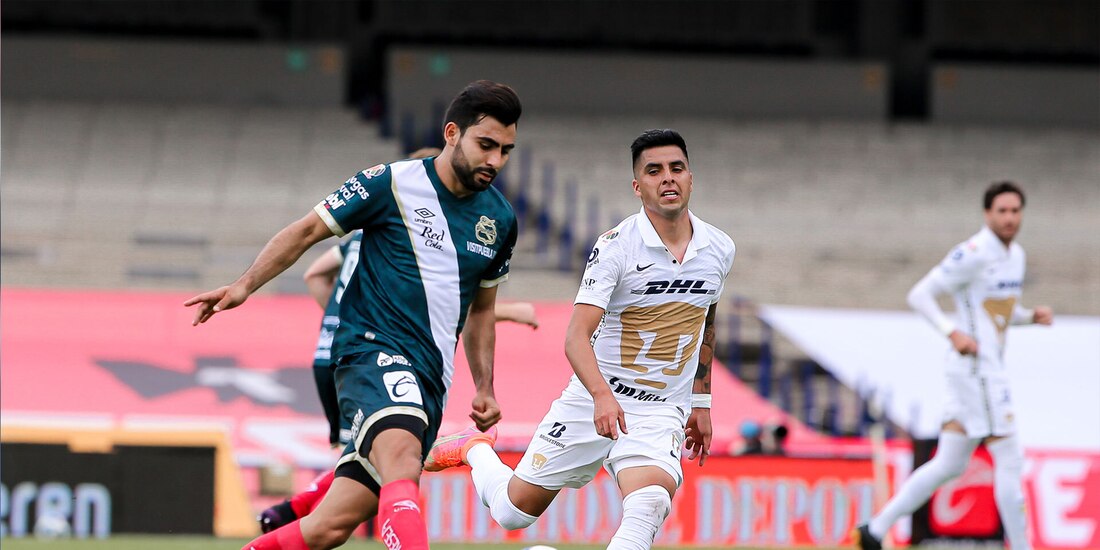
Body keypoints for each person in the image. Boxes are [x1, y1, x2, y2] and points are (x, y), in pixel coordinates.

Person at [185, 79, 522, 550]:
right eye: (485, 145)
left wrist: (484, 387)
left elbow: (482, 310)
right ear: (452, 133)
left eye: (505, 150)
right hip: (371, 352)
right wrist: (244, 285)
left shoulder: (501, 219)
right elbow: (306, 231)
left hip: (431, 377)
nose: (494, 161)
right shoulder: (390, 182)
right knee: (402, 460)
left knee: (329, 527)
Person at [424, 129, 735, 549]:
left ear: (690, 178)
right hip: (593, 399)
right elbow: (575, 337)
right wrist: (602, 396)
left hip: (660, 411)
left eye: (676, 169)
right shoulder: (615, 248)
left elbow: (706, 322)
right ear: (637, 186)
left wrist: (701, 402)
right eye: (654, 171)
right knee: (512, 513)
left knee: (649, 505)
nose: (667, 179)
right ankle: (474, 448)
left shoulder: (719, 248)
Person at [259, 145, 538, 533]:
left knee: (360, 474)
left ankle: (292, 511)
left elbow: (315, 275)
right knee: (397, 455)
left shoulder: (366, 234)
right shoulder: (403, 224)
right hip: (374, 350)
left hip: (344, 352)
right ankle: (302, 507)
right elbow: (431, 301)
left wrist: (336, 318)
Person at [855, 182, 1053, 550]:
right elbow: (920, 294)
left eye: (1015, 211)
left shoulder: (1016, 256)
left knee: (948, 464)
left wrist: (1029, 317)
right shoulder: (973, 252)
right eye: (1002, 211)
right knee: (1011, 457)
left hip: (978, 372)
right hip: (977, 371)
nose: (1010, 218)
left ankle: (874, 530)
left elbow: (996, 313)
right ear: (987, 214)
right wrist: (952, 333)